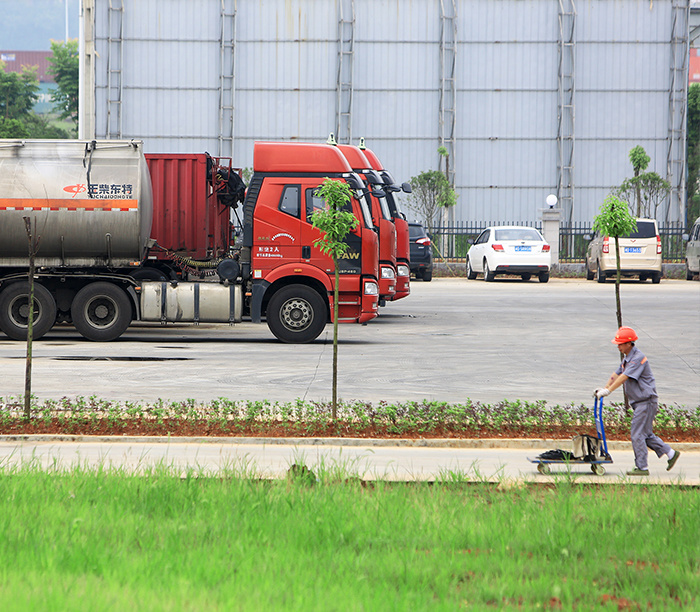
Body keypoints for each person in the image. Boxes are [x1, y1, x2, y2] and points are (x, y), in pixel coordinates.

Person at [594, 326, 681, 476]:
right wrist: (604, 388)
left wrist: (609, 391)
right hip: (642, 402)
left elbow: (624, 377)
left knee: (637, 434)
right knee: (645, 434)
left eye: (620, 344)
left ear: (629, 343)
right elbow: (616, 374)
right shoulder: (627, 359)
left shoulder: (638, 358)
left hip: (646, 402)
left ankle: (642, 468)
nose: (618, 347)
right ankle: (671, 453)